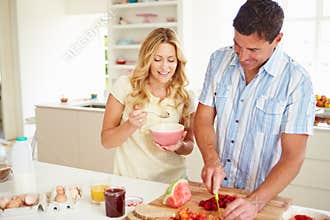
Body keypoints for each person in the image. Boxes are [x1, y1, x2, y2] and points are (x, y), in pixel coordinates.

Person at [194, 0, 315, 219]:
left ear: (277, 39)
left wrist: (255, 202)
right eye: (237, 45)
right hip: (219, 193)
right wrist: (211, 159)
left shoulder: (297, 81)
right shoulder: (218, 60)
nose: (241, 56)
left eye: (253, 49)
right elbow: (202, 118)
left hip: (262, 198)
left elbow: (293, 157)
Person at [101, 28, 195, 184]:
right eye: (157, 59)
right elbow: (106, 141)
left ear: (178, 62)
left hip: (173, 182)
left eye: (171, 60)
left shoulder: (186, 96)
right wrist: (130, 125)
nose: (165, 67)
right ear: (147, 59)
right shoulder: (125, 86)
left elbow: (190, 145)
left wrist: (179, 145)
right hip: (132, 182)